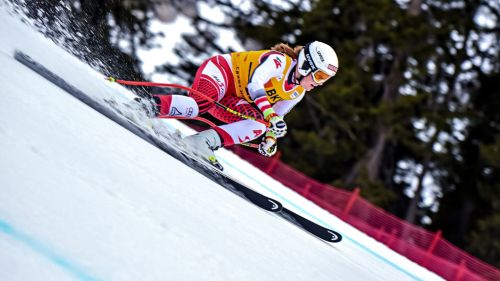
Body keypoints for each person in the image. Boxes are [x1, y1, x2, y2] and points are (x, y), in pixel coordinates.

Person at [151, 41, 339, 168]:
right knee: (201, 105)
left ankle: (201, 143)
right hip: (221, 73)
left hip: (231, 99)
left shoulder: (298, 92)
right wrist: (271, 116)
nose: (320, 82)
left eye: (326, 79)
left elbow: (276, 117)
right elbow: (254, 84)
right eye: (320, 75)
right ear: (306, 65)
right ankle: (148, 105)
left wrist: (270, 140)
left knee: (259, 125)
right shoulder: (279, 62)